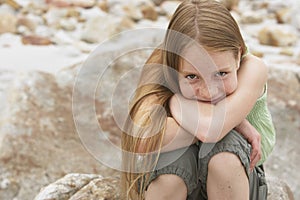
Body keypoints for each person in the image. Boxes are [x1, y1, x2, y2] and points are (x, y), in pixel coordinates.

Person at [121, 0, 276, 199]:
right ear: (174, 67)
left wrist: (176, 103)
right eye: (192, 76)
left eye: (221, 73)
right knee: (174, 163)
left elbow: (213, 129)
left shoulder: (253, 68)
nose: (210, 92)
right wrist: (237, 123)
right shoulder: (161, 67)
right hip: (181, 183)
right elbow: (140, 140)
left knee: (224, 148)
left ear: (237, 55)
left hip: (235, 183)